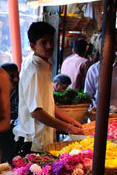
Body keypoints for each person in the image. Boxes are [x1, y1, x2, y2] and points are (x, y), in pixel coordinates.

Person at [13, 22, 84, 154]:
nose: (49, 46)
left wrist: (71, 121)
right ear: (32, 46)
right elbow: (36, 112)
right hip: (32, 143)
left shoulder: (42, 64)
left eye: (51, 41)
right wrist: (68, 128)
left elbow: (49, 104)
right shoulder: (34, 70)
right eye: (43, 42)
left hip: (40, 140)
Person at [0, 62, 19, 163]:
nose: (16, 79)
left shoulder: (19, 91)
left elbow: (18, 112)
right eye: (11, 77)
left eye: (17, 76)